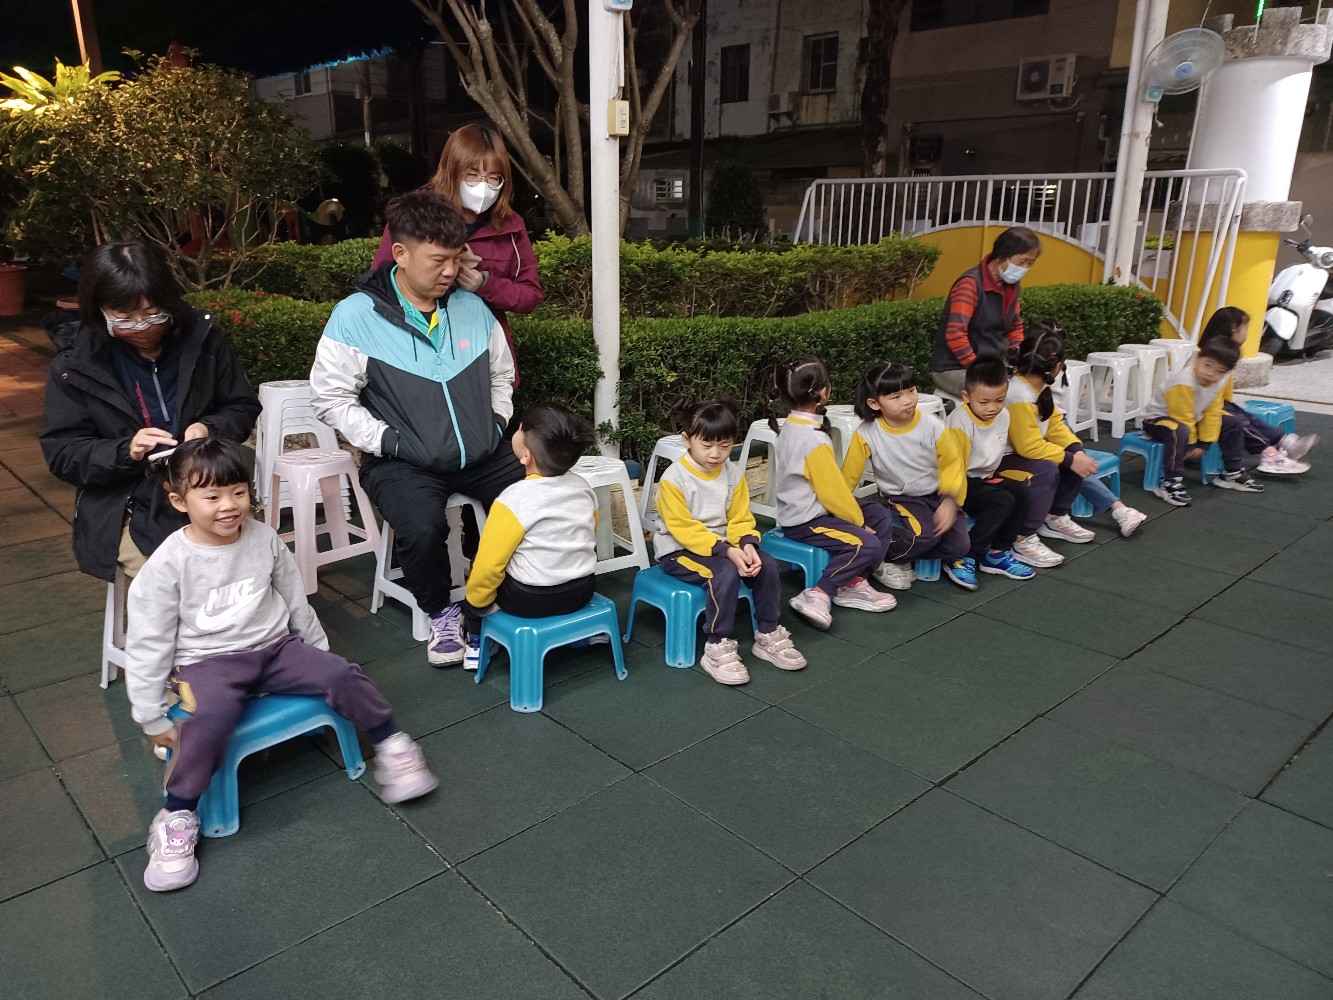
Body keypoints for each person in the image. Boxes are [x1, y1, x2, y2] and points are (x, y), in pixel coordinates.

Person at [125, 439, 438, 893]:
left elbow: (294, 598)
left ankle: (392, 744)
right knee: (206, 716)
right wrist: (151, 716)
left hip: (275, 648)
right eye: (211, 496)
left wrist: (319, 653)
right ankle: (177, 814)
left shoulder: (263, 537)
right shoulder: (168, 565)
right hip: (207, 662)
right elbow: (147, 642)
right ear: (179, 501)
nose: (229, 506)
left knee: (341, 673)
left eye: (237, 492)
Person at [310, 190, 523, 667]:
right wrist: (388, 440)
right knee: (422, 529)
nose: (449, 272)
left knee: (534, 497)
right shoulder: (355, 316)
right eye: (437, 261)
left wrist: (495, 424)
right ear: (401, 254)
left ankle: (505, 592)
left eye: (456, 258)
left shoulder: (471, 307)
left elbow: (501, 374)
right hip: (402, 460)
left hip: (482, 451)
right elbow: (330, 399)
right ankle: (441, 613)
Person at [41, 242, 261, 584]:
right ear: (98, 309)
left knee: (250, 566)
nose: (142, 327)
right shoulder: (76, 364)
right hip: (124, 501)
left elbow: (241, 405)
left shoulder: (203, 339)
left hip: (206, 487)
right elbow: (64, 452)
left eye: (153, 313)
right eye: (124, 318)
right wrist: (126, 451)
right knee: (171, 580)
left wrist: (208, 428)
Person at [371, 122, 542, 386]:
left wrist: (485, 284)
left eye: (493, 178)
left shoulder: (510, 226)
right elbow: (380, 281)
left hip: (482, 357)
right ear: (452, 170)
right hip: (418, 355)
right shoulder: (416, 213)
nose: (483, 186)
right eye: (473, 175)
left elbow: (530, 295)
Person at [653, 399, 807, 685]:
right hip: (679, 550)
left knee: (767, 565)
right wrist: (727, 552)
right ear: (687, 440)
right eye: (707, 445)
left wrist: (747, 545)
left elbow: (739, 516)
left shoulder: (732, 472)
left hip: (723, 546)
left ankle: (768, 633)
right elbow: (683, 529)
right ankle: (717, 644)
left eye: (724, 446)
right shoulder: (674, 479)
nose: (716, 454)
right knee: (723, 573)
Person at [461, 404, 600, 670]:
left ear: (526, 456)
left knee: (477, 580)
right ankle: (580, 633)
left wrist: (479, 602)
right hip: (581, 591)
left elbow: (489, 565)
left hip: (528, 600)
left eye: (520, 428)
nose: (516, 431)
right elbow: (589, 533)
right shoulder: (584, 488)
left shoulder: (513, 499)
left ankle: (476, 641)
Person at [998, 325, 1147, 565]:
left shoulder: (1036, 386)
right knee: (1048, 468)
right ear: (1057, 367)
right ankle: (1022, 537)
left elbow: (1054, 425)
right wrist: (1070, 459)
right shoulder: (1020, 395)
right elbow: (1028, 447)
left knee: (1073, 454)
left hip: (1022, 454)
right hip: (1001, 461)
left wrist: (1075, 451)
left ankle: (1055, 517)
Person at [770, 357, 897, 629]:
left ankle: (855, 578)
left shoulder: (792, 424)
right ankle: (820, 592)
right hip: (807, 520)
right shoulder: (813, 438)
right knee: (867, 543)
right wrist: (858, 522)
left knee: (879, 514)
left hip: (812, 509)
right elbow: (832, 493)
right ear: (823, 391)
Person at [839, 362, 974, 590]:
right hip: (905, 496)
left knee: (960, 547)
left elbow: (952, 463)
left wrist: (950, 500)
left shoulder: (932, 424)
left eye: (911, 390)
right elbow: (848, 477)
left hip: (938, 493)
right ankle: (884, 558)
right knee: (924, 536)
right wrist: (842, 510)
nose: (908, 400)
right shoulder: (867, 433)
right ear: (874, 403)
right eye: (896, 396)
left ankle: (906, 555)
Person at [943, 357, 1037, 583]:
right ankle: (964, 557)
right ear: (966, 396)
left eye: (999, 400)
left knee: (1021, 491)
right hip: (953, 482)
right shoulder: (959, 424)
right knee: (1002, 500)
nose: (992, 407)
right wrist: (954, 504)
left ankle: (997, 553)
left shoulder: (1003, 415)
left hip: (982, 478)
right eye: (984, 402)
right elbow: (951, 470)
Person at [1197, 307, 1318, 475]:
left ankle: (1284, 442)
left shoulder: (1221, 354)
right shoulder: (1209, 356)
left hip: (1212, 403)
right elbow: (1203, 396)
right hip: (1201, 409)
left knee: (1242, 414)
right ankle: (1269, 455)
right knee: (1237, 420)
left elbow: (1220, 396)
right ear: (1234, 329)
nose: (1247, 333)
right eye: (1246, 328)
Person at [1142, 335, 1259, 506]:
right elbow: (1181, 415)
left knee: (1233, 422)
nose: (1210, 374)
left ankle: (1232, 472)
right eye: (1207, 365)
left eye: (1220, 371)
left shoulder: (1219, 382)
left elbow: (1213, 411)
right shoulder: (1184, 381)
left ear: (1227, 372)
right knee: (1179, 430)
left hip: (1192, 418)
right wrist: (1192, 445)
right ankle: (1170, 482)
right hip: (1159, 420)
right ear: (1197, 358)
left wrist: (1205, 443)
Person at [932, 226, 1042, 399]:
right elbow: (955, 335)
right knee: (999, 394)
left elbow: (1014, 327)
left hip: (994, 364)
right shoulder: (969, 284)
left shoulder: (1012, 286)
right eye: (1022, 262)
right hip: (954, 368)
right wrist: (980, 369)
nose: (1025, 268)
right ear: (1001, 257)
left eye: (1030, 263)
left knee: (1032, 386)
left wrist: (1019, 356)